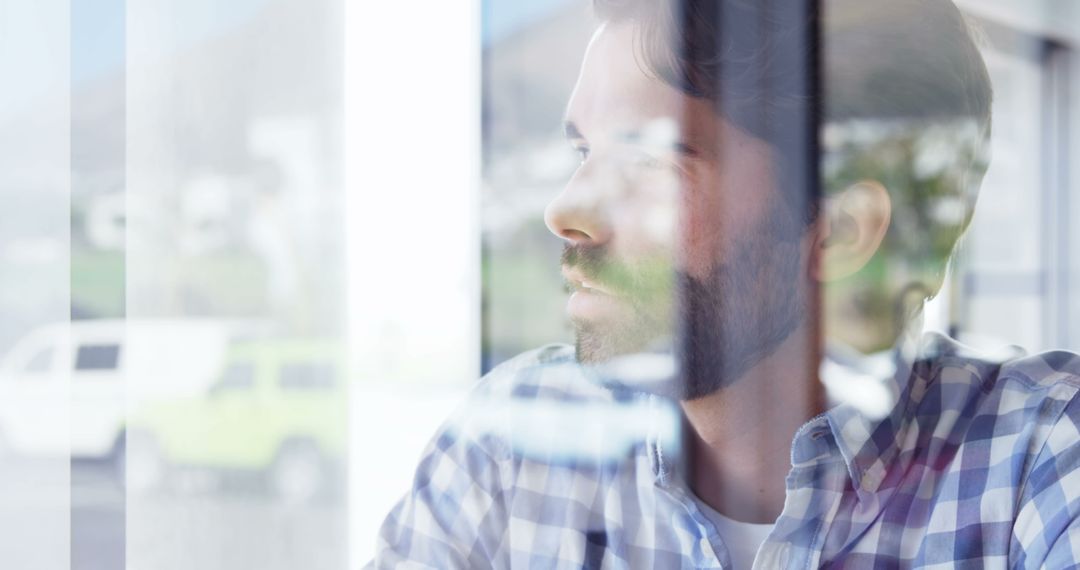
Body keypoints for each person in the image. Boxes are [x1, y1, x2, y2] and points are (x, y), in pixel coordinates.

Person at [369, 0, 1080, 567]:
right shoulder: (508, 446)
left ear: (838, 229)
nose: (564, 211)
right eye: (584, 150)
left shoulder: (1038, 455)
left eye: (645, 160)